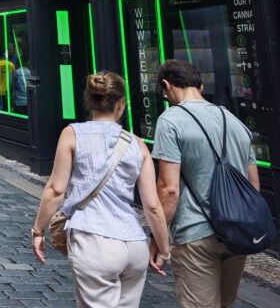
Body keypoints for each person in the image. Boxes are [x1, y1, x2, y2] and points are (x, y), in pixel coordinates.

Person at [31, 72, 170, 308]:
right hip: (134, 245)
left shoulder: (72, 134)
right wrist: (163, 249)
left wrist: (38, 230)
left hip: (93, 240)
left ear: (89, 101)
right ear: (121, 104)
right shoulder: (137, 143)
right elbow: (153, 206)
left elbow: (55, 190)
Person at [151, 59, 259, 308]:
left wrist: (157, 239)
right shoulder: (234, 121)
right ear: (199, 86)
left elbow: (169, 190)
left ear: (167, 85)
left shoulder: (170, 121)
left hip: (195, 234)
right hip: (237, 233)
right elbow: (253, 185)